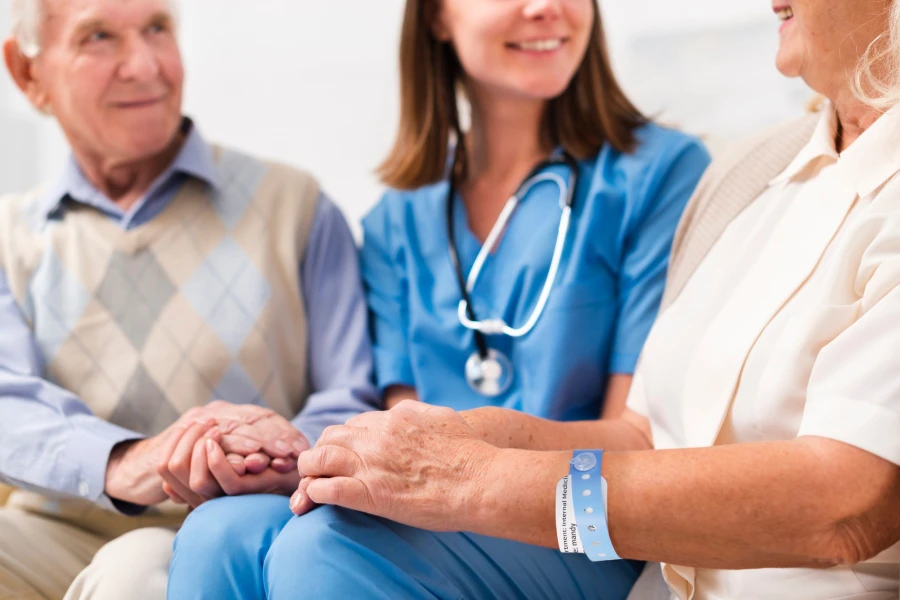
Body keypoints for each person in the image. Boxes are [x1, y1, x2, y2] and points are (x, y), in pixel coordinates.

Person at [274, 1, 900, 599]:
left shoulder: (667, 170)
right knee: (238, 531)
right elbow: (647, 434)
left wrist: (475, 479)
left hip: (638, 560)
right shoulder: (750, 171)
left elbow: (846, 510)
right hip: (655, 577)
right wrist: (462, 440)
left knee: (327, 547)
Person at [167, 0, 709, 598]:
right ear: (435, 17)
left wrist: (473, 446)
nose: (546, 8)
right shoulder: (398, 219)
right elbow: (399, 431)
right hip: (432, 513)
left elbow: (640, 439)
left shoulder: (663, 174)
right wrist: (280, 455)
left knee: (327, 545)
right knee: (220, 531)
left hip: (583, 516)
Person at [0, 0, 378, 598]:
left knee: (136, 571)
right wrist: (127, 462)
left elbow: (352, 395)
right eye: (98, 37)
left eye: (157, 29)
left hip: (222, 533)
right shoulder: (8, 236)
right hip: (52, 530)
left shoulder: (295, 206)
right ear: (27, 72)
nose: (145, 65)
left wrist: (276, 455)